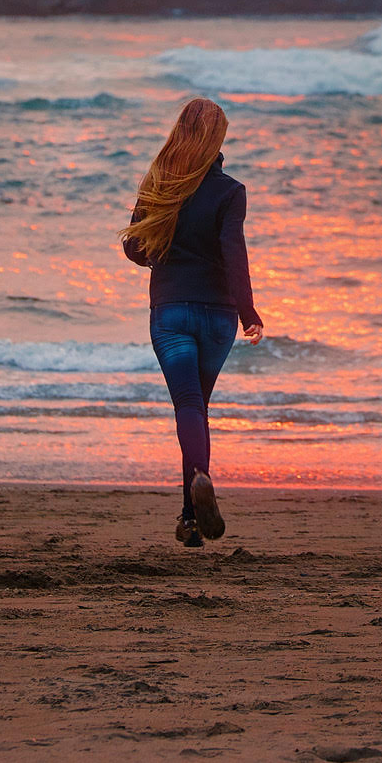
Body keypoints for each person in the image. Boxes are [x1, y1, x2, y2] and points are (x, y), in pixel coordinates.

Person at [121, 97, 263, 548]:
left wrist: (166, 252)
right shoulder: (230, 192)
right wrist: (248, 312)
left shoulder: (160, 184)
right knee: (198, 408)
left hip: (171, 312)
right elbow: (232, 254)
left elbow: (135, 250)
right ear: (218, 140)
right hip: (218, 317)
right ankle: (190, 517)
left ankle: (198, 485)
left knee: (187, 406)